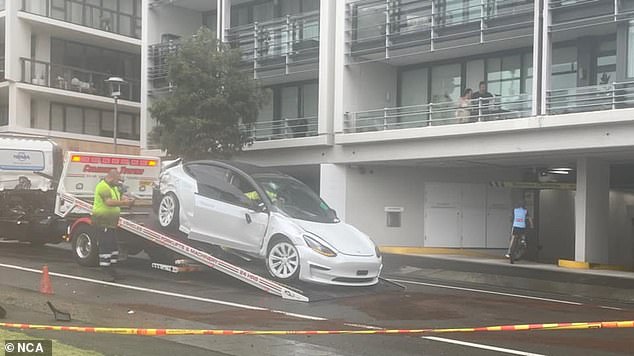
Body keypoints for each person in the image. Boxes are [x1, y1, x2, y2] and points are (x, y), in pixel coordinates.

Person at [92, 169, 134, 282]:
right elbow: (108, 202)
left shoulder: (114, 187)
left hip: (111, 223)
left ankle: (112, 269)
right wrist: (124, 203)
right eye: (118, 180)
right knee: (106, 246)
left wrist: (126, 199)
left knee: (113, 247)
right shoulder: (103, 187)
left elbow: (118, 197)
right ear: (111, 177)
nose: (119, 182)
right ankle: (106, 270)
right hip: (102, 221)